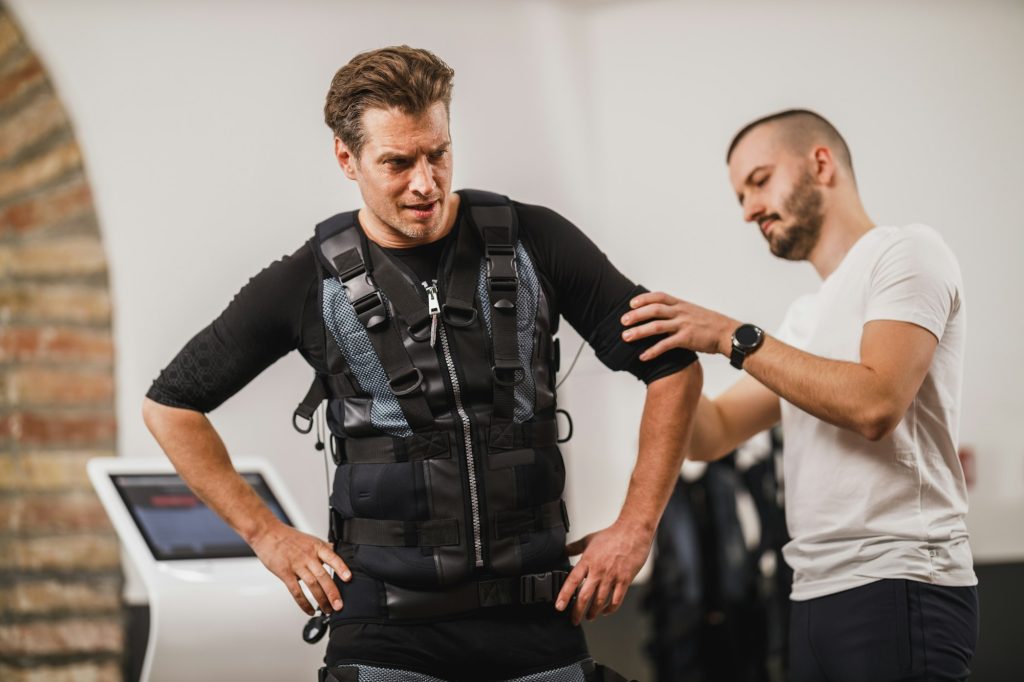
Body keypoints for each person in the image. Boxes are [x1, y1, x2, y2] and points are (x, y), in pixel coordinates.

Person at [142, 46, 702, 682]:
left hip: (537, 623)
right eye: (397, 162)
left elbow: (674, 367)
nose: (425, 183)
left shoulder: (535, 240)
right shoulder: (306, 281)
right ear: (345, 159)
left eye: (437, 153)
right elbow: (170, 405)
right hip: (385, 634)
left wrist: (636, 525)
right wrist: (268, 536)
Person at [623, 110, 978, 681]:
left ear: (820, 163)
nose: (748, 210)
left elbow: (875, 404)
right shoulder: (803, 318)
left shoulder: (907, 253)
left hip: (897, 581)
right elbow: (711, 435)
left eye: (759, 181)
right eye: (741, 195)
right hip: (811, 594)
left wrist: (728, 335)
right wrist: (651, 358)